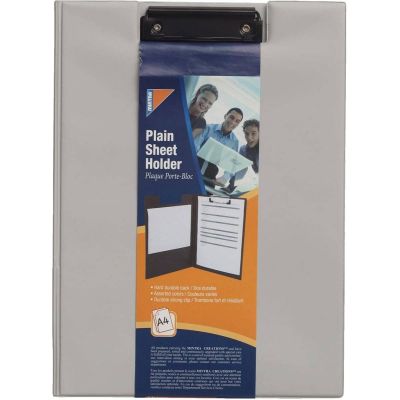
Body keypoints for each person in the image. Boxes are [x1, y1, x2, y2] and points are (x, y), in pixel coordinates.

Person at [194, 108, 243, 188]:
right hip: (196, 164)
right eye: (231, 117)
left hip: (210, 173)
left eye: (237, 121)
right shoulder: (208, 128)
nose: (233, 122)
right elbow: (195, 146)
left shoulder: (234, 142)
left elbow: (232, 164)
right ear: (225, 116)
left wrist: (225, 177)